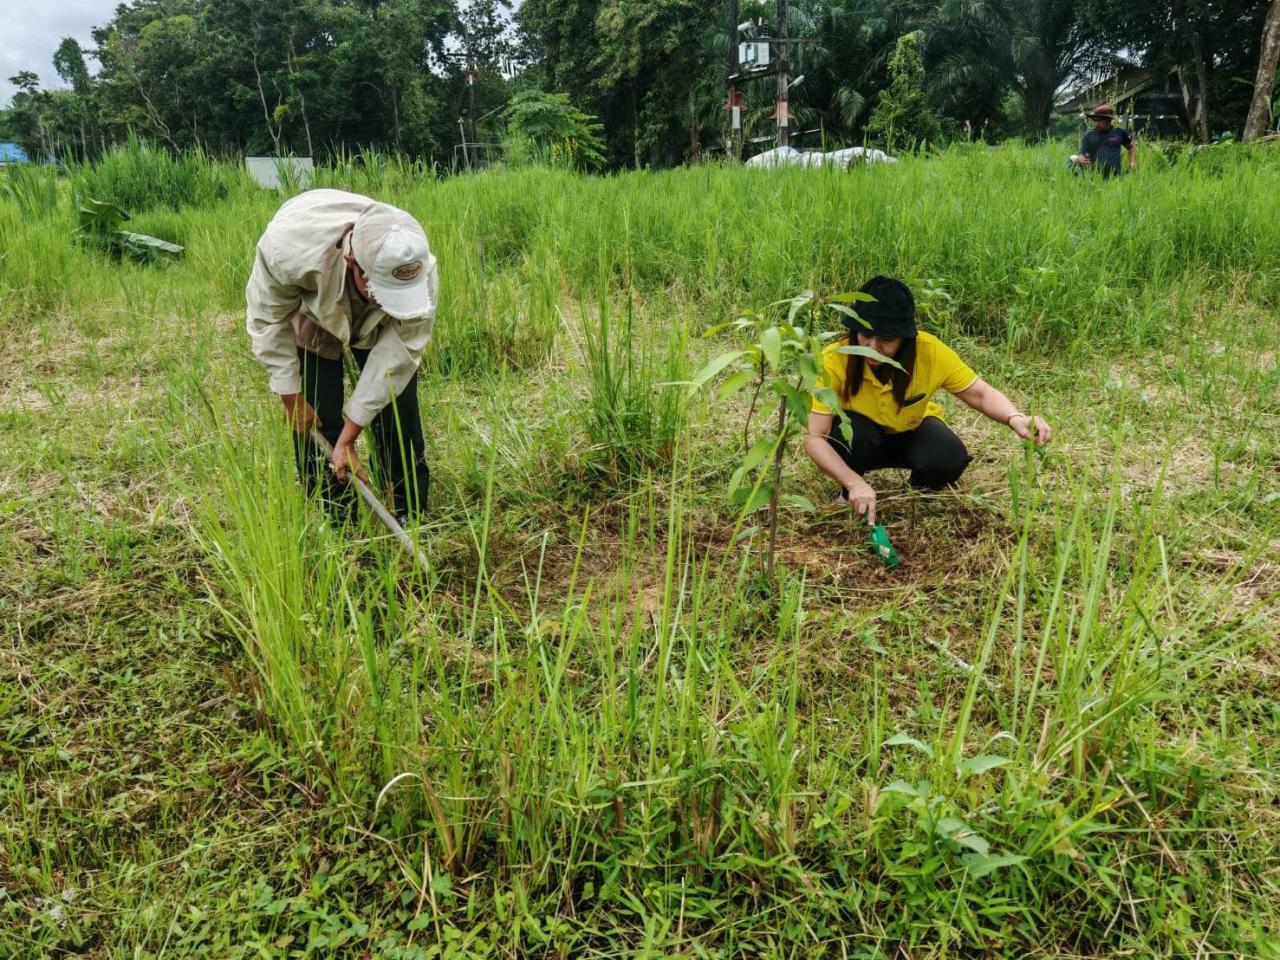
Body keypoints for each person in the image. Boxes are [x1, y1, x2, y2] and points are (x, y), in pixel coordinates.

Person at [245, 188, 439, 523]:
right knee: (317, 411)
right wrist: (291, 397)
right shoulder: (287, 251)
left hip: (365, 303)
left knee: (397, 406)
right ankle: (336, 515)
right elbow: (267, 319)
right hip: (312, 299)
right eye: (381, 292)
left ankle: (411, 511)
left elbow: (397, 359)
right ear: (354, 263)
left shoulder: (418, 271)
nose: (385, 301)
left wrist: (350, 438)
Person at [802, 276, 1051, 526]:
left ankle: (918, 493)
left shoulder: (929, 352)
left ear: (905, 337)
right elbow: (815, 437)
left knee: (948, 456)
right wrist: (853, 481)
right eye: (865, 335)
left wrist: (1015, 418)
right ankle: (849, 493)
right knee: (847, 436)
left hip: (911, 429)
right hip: (862, 438)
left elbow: (980, 393)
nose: (872, 347)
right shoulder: (834, 360)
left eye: (886, 340)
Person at [1070, 104, 1136, 179]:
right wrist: (1081, 159)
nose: (1097, 121)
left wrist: (1132, 162)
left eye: (1101, 119)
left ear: (1109, 119)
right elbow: (1081, 152)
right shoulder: (1089, 135)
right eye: (1097, 119)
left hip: (1115, 178)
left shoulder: (1119, 133)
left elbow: (1131, 147)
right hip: (1093, 177)